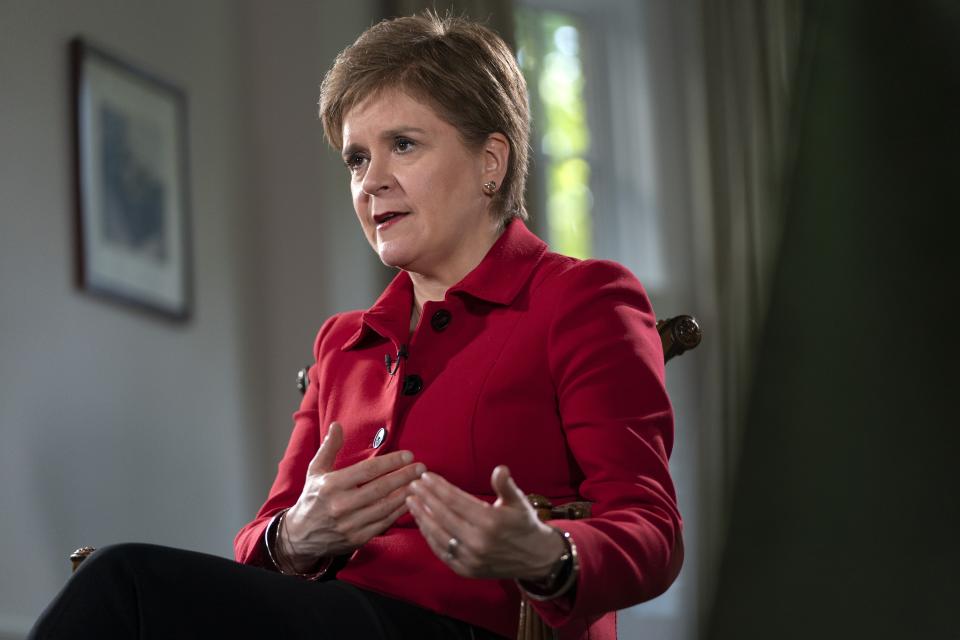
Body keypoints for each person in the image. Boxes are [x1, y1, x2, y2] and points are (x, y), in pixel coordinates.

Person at [29, 11, 681, 640]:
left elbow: (651, 530)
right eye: (356, 159)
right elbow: (262, 535)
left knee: (124, 586)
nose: (371, 182)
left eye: (403, 145)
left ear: (492, 161)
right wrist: (298, 534)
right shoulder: (343, 342)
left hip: (476, 627)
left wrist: (547, 553)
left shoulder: (584, 299)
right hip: (334, 615)